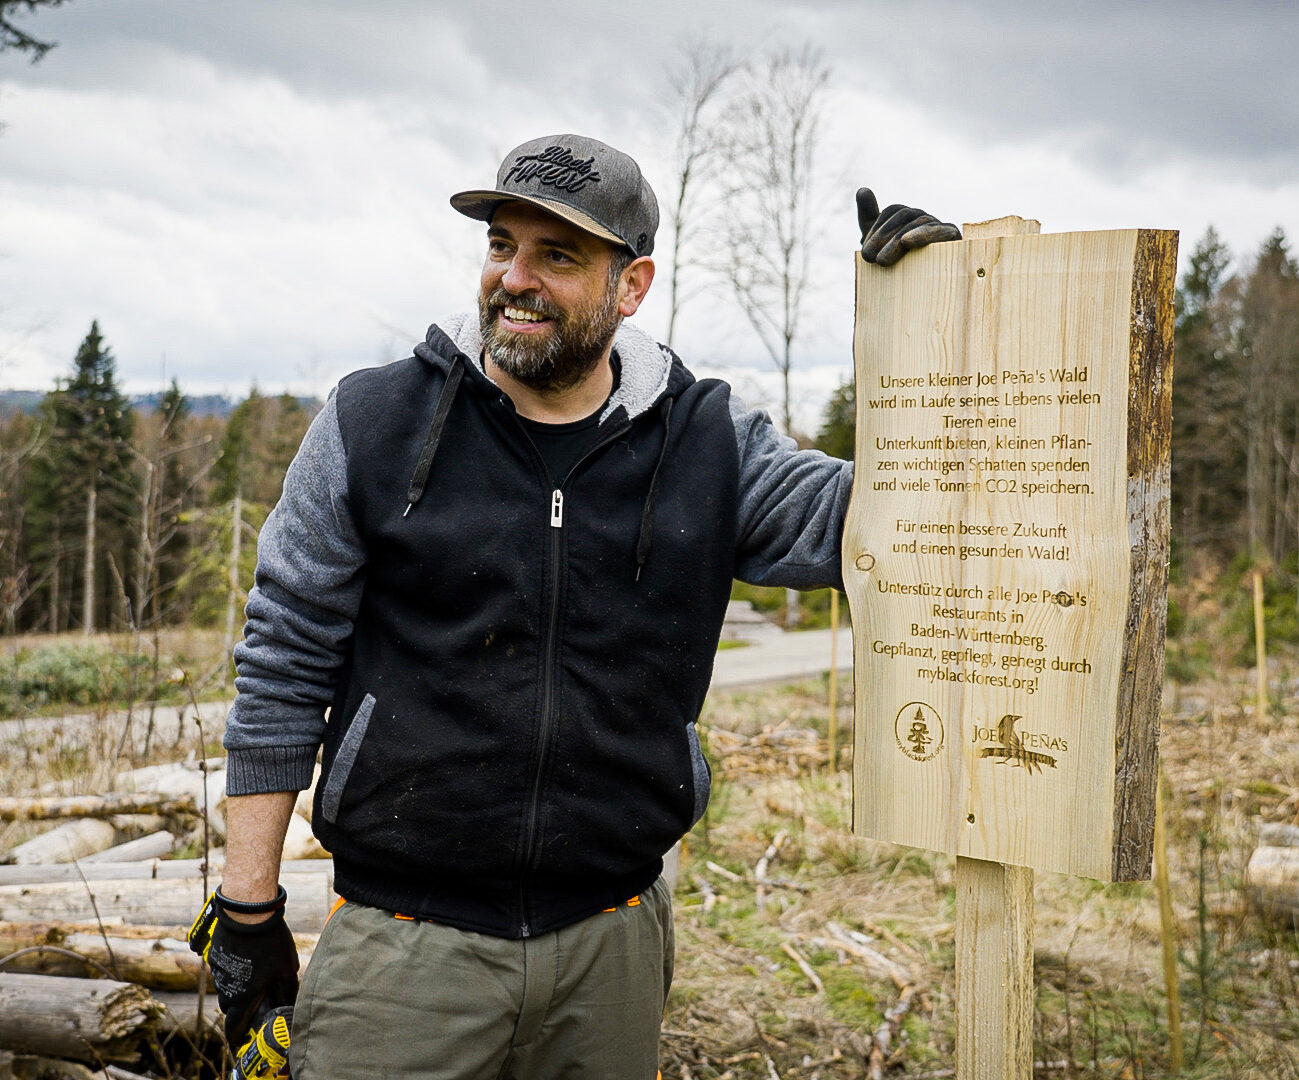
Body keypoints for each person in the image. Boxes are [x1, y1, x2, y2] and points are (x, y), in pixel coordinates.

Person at [205, 133, 959, 1079]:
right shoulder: (373, 423)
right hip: (403, 952)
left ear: (631, 285)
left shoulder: (708, 441)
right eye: (500, 246)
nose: (513, 278)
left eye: (556, 256)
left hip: (613, 948)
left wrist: (937, 329)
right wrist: (246, 910)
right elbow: (281, 662)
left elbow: (890, 525)